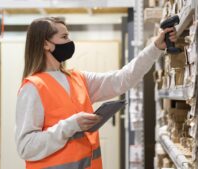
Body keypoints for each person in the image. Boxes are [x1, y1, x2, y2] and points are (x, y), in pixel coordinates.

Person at [15, 17, 176, 169]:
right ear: (46, 45)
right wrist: (70, 125)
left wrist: (155, 48)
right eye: (64, 37)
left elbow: (122, 79)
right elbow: (26, 147)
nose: (69, 42)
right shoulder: (33, 88)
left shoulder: (77, 78)